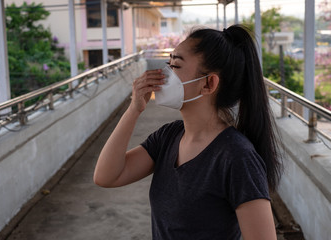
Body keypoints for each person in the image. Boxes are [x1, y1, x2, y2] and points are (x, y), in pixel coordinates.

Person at [93, 25, 283, 240]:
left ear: (209, 83)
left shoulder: (237, 157)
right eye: (168, 63)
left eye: (175, 66)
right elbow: (107, 176)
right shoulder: (169, 136)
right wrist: (134, 109)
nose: (165, 74)